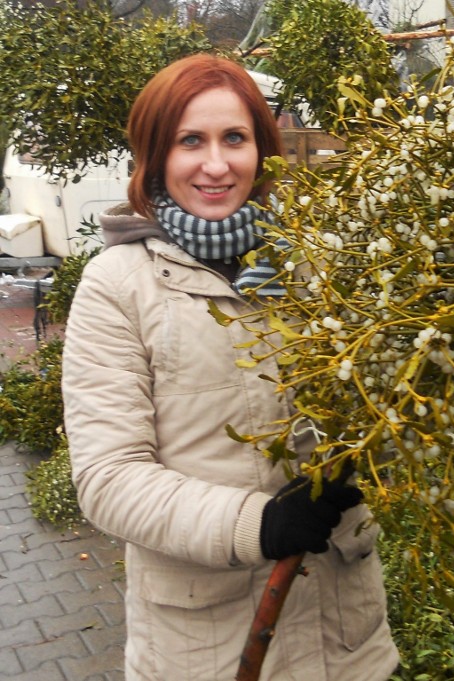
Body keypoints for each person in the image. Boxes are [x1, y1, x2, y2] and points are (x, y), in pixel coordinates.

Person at [62, 54, 399, 681]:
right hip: (209, 644)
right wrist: (259, 524)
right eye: (191, 140)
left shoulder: (313, 262)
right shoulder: (118, 286)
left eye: (235, 139)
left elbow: (375, 391)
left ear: (262, 150)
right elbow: (108, 478)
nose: (216, 165)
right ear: (156, 155)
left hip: (342, 635)